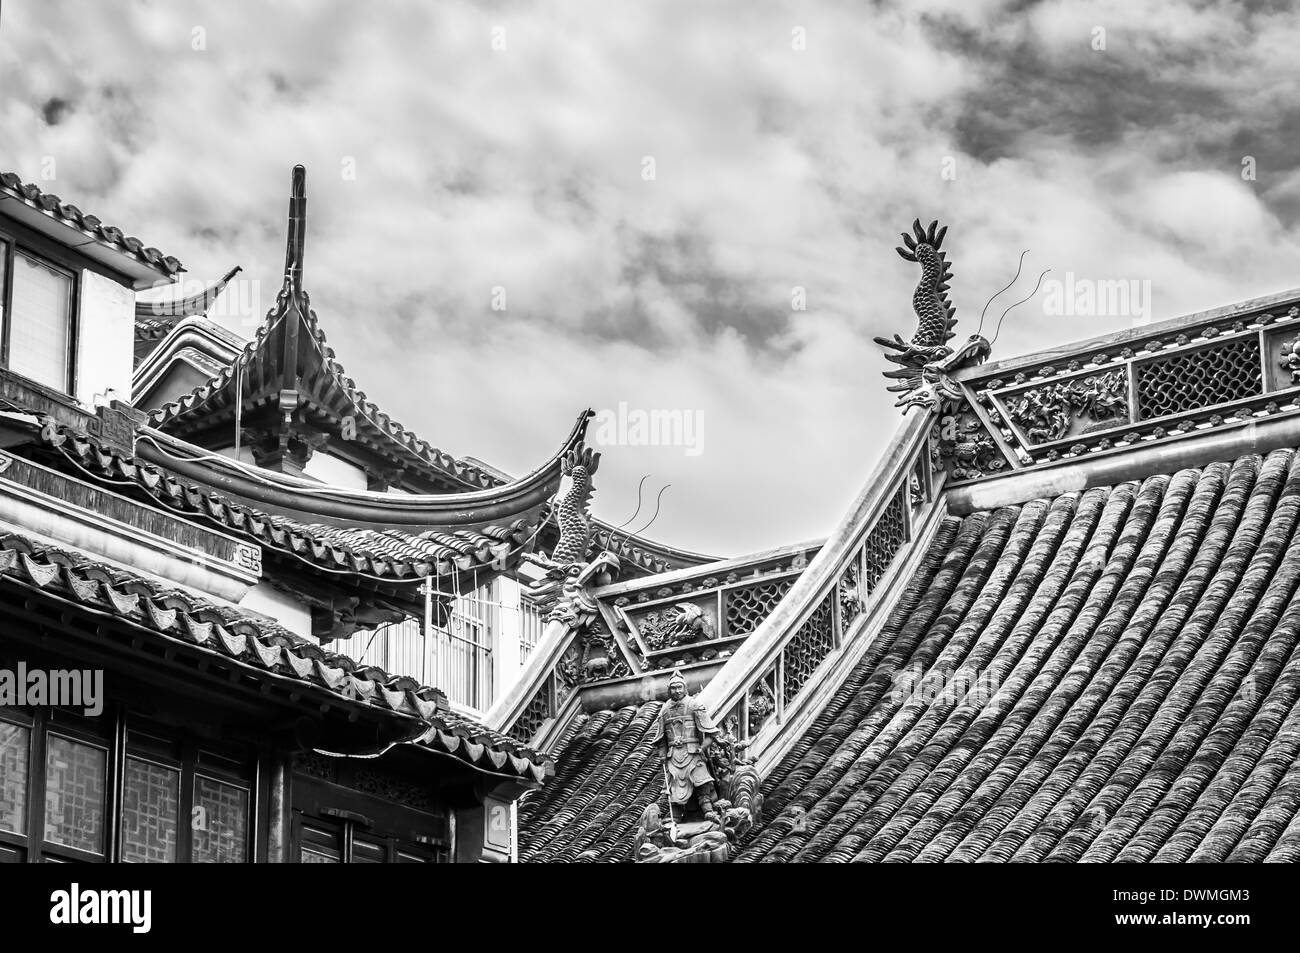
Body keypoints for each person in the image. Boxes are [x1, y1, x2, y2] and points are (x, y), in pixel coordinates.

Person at [651, 669, 721, 823]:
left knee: (701, 780)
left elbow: (711, 733)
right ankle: (675, 816)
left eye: (679, 687)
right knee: (674, 785)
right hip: (673, 756)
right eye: (673, 688)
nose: (676, 691)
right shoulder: (664, 710)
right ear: (669, 690)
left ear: (685, 688)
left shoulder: (694, 705)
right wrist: (662, 752)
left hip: (693, 753)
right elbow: (660, 737)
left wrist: (702, 748)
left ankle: (708, 810)